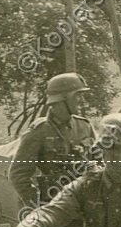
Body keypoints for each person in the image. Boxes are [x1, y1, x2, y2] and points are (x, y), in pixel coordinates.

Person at [9, 72, 96, 208]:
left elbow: (99, 162)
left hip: (84, 204)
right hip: (53, 206)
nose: (81, 100)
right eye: (77, 96)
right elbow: (18, 174)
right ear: (62, 99)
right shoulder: (39, 131)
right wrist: (38, 206)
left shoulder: (84, 126)